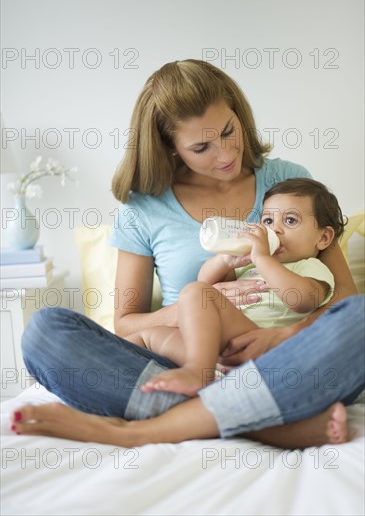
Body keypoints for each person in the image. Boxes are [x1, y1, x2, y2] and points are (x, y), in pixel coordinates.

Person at [13, 59, 364, 449]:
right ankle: (264, 425)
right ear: (170, 148)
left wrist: (285, 336)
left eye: (229, 131)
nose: (226, 153)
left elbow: (346, 297)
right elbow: (128, 325)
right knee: (46, 334)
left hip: (291, 361)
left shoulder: (288, 184)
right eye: (201, 147)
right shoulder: (142, 210)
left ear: (237, 113)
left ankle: (149, 427)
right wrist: (197, 307)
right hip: (190, 362)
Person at [127, 178, 344, 396]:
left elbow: (301, 300)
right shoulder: (250, 264)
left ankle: (196, 373)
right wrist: (224, 262)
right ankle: (190, 373)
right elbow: (206, 284)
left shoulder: (311, 268)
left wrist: (262, 259)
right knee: (146, 336)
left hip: (259, 350)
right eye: (268, 221)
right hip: (216, 351)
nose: (275, 229)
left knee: (195, 292)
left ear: (323, 237)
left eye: (289, 220)